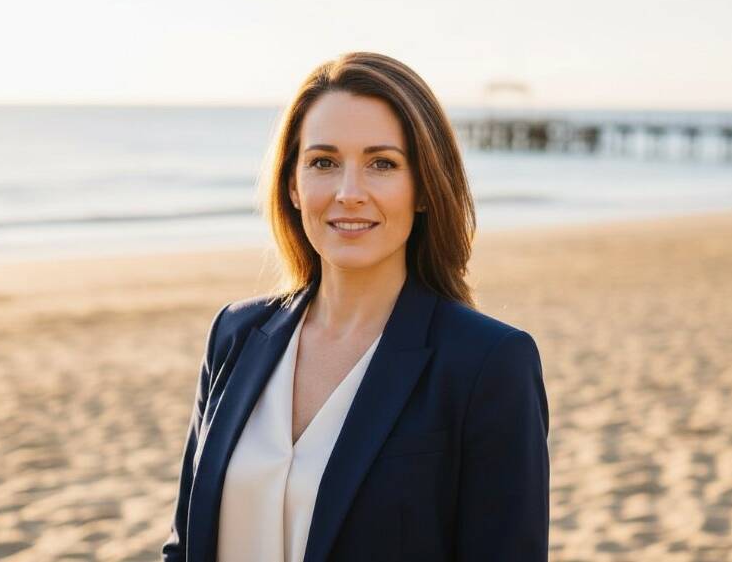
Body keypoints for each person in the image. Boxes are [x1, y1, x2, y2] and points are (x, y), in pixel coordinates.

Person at [161, 51, 549, 562]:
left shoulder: (489, 362)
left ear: (424, 188)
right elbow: (186, 544)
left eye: (381, 164)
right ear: (293, 185)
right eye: (323, 162)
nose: (348, 193)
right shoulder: (234, 334)